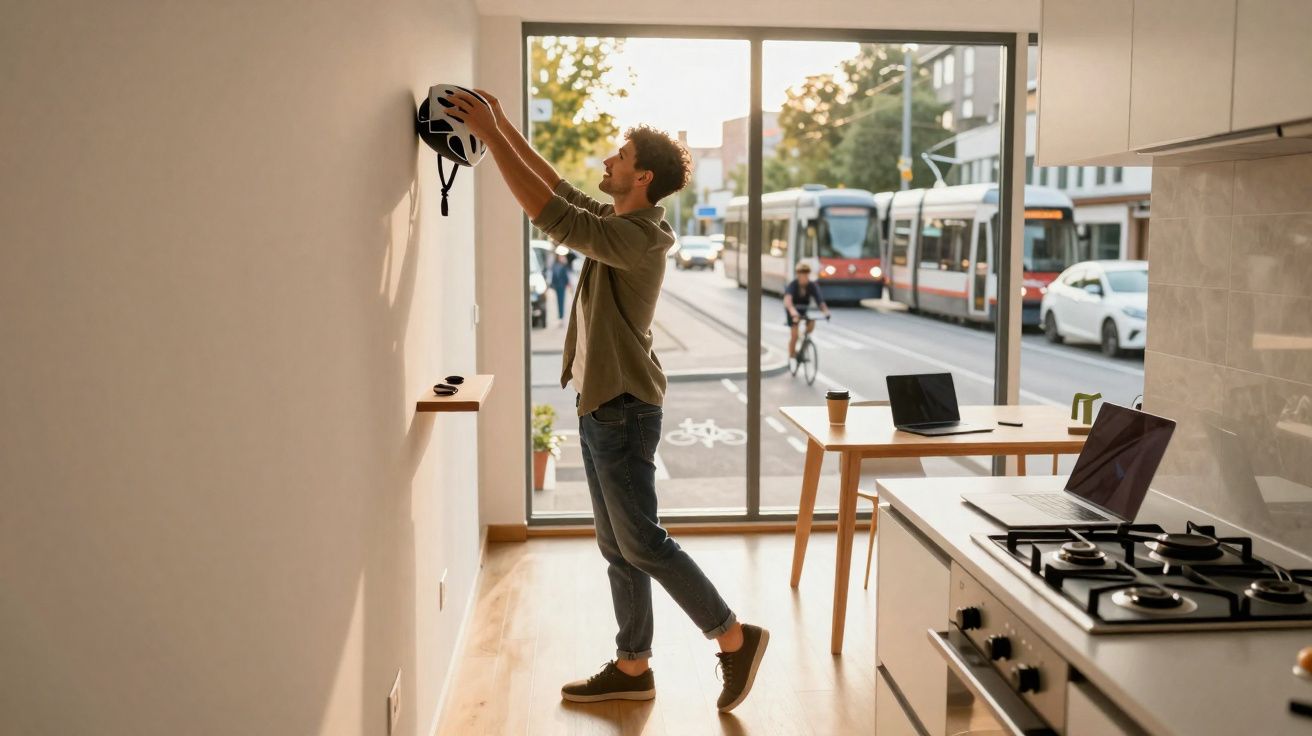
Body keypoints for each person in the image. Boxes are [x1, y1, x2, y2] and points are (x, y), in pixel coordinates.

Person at [444, 87, 769, 713]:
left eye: (619, 157)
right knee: (619, 546)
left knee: (642, 541)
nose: (608, 163)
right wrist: (501, 126)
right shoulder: (622, 224)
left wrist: (488, 134)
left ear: (641, 175)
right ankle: (632, 664)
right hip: (603, 405)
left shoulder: (644, 237)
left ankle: (733, 637)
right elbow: (561, 193)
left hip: (623, 408)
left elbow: (553, 216)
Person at [784, 262, 831, 359]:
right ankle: (792, 353)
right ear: (798, 275)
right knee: (794, 335)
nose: (805, 277)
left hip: (803, 309)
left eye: (806, 275)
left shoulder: (812, 286)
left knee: (811, 323)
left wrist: (826, 312)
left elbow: (820, 301)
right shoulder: (793, 285)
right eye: (802, 275)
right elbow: (788, 301)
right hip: (792, 311)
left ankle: (804, 342)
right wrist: (793, 312)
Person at [549, 252, 572, 322]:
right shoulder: (555, 265)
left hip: (562, 286)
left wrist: (568, 283)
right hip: (557, 286)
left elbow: (565, 276)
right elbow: (553, 276)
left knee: (562, 301)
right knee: (559, 301)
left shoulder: (563, 265)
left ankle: (561, 316)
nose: (561, 258)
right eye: (560, 257)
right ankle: (560, 315)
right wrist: (552, 285)